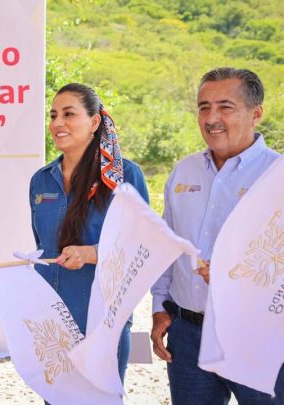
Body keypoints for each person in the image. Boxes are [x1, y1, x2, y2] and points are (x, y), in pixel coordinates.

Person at [151, 67, 284, 404]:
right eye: (203, 107)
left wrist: (239, 281)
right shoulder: (184, 170)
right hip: (188, 334)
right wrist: (159, 307)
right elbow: (168, 244)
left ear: (256, 114)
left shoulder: (277, 176)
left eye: (225, 107)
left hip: (259, 338)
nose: (212, 118)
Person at [29, 83, 149, 382]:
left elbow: (142, 245)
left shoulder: (124, 176)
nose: (57, 123)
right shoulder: (41, 181)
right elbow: (42, 244)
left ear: (95, 122)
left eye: (69, 114)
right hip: (51, 320)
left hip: (102, 319)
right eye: (53, 115)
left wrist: (92, 253)